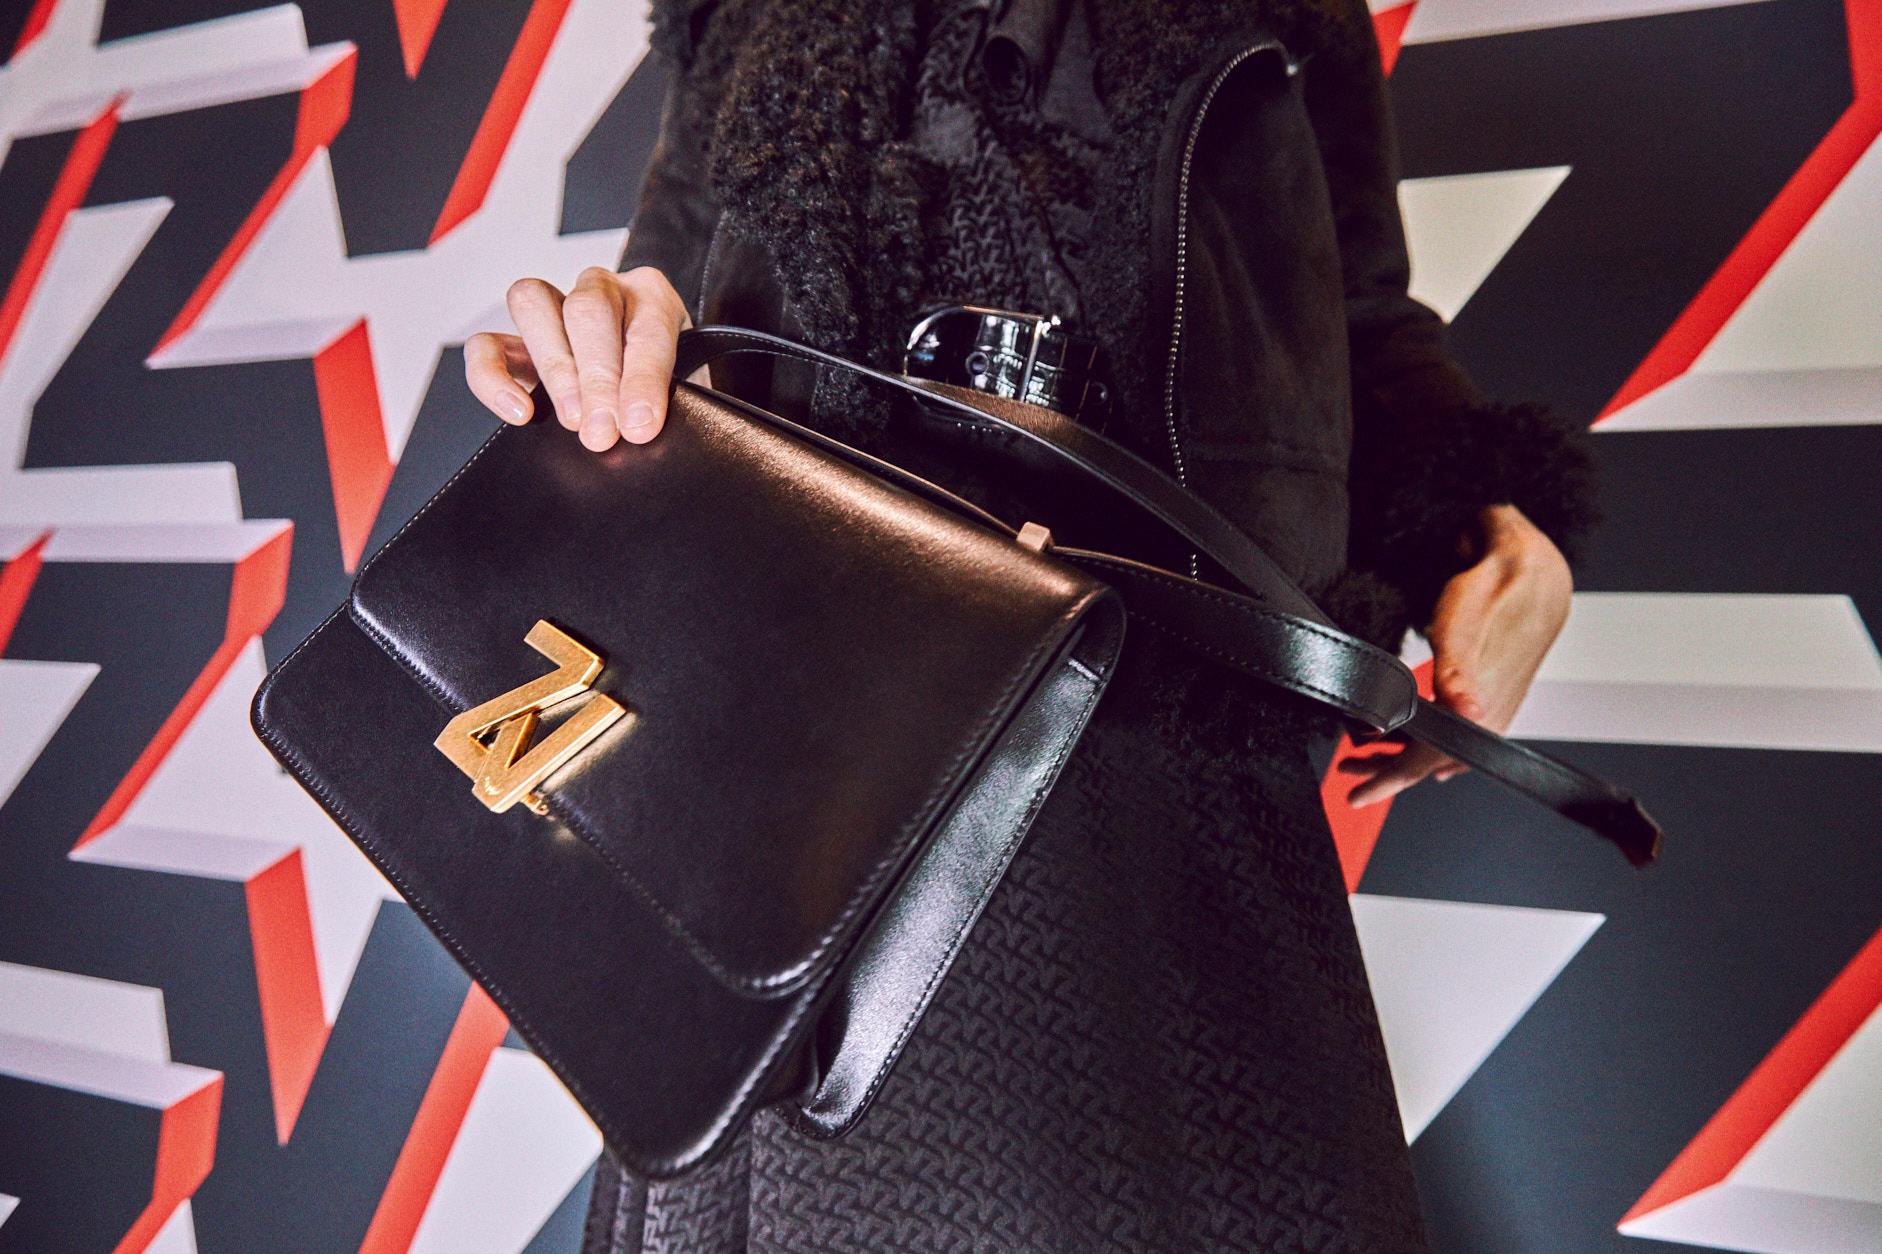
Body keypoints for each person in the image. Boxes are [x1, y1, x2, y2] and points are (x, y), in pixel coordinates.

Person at [465, 0, 1598, 1248]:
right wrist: (597, 351)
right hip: (818, 729)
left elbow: (1356, 317)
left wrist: (1495, 515)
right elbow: (663, 300)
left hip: (1160, 699)